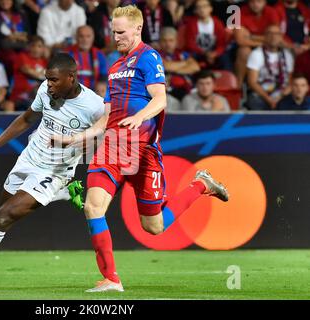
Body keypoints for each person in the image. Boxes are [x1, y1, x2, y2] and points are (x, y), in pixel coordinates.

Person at [52, 5, 229, 292]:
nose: (116, 36)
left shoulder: (149, 57)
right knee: (92, 206)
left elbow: (160, 99)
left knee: (154, 227)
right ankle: (112, 279)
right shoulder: (113, 67)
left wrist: (140, 116)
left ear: (137, 29)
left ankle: (200, 185)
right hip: (112, 148)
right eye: (112, 31)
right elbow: (106, 117)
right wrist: (74, 138)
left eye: (121, 32)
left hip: (143, 151)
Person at [0, 53, 104, 292]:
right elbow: (26, 119)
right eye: (47, 79)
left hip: (54, 171)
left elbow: (103, 140)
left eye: (54, 80)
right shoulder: (45, 90)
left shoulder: (94, 106)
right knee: (1, 215)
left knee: (2, 218)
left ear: (71, 78)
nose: (49, 84)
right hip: (28, 160)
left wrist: (73, 144)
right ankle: (63, 193)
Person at [246, 24, 294, 110]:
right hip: (262, 94)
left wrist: (280, 97)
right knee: (255, 101)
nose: (273, 37)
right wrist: (269, 100)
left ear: (281, 37)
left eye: (277, 34)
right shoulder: (256, 54)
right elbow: (252, 82)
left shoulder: (287, 55)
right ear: (265, 36)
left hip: (281, 94)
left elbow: (290, 81)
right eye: (270, 33)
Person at [233, 0, 280, 87]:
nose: (256, 5)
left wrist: (251, 36)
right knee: (243, 51)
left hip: (264, 45)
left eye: (259, 2)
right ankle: (238, 87)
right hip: (250, 46)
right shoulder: (238, 12)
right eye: (252, 2)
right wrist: (264, 40)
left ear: (265, 2)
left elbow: (275, 37)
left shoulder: (272, 12)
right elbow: (239, 40)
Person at [159, 27, 200, 100]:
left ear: (176, 41)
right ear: (160, 42)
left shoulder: (182, 54)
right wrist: (185, 63)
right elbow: (166, 66)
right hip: (168, 92)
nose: (168, 44)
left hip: (187, 90)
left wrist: (175, 69)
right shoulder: (155, 54)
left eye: (171, 40)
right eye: (164, 41)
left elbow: (195, 67)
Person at [183, 0, 227, 69]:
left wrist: (215, 53)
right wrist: (205, 53)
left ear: (210, 9)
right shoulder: (191, 24)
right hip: (198, 53)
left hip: (214, 53)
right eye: (199, 7)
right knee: (190, 57)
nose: (202, 9)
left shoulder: (218, 23)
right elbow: (190, 44)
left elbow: (222, 44)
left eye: (204, 6)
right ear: (195, 11)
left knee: (225, 58)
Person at [9, 35, 48, 111]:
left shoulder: (44, 61)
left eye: (39, 46)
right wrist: (44, 75)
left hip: (36, 96)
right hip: (20, 95)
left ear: (43, 49)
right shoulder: (22, 56)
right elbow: (27, 70)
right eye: (33, 46)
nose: (36, 49)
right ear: (28, 47)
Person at [66, 25, 108, 92]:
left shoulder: (99, 54)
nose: (85, 39)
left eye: (88, 36)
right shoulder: (67, 53)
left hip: (94, 90)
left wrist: (101, 83)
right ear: (76, 37)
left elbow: (104, 74)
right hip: (73, 91)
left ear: (93, 38)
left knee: (102, 88)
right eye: (81, 36)